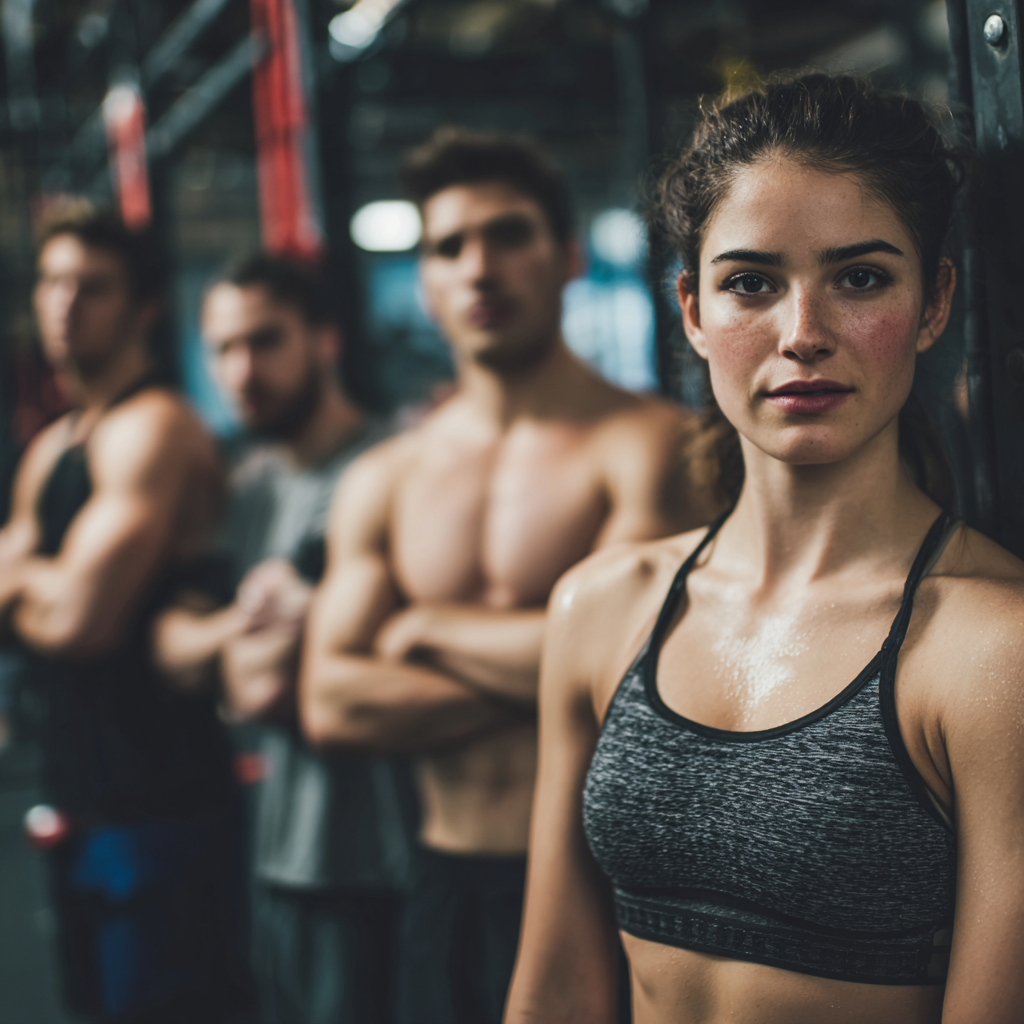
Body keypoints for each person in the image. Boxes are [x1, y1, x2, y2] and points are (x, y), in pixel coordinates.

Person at [504, 72, 1024, 1024]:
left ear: (934, 301)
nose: (803, 334)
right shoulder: (602, 607)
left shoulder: (993, 651)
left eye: (860, 277)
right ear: (693, 312)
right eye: (751, 283)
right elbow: (552, 994)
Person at [300, 128, 714, 1024]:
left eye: (509, 234)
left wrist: (421, 630)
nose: (479, 267)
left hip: (609, 884)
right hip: (440, 882)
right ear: (424, 279)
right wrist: (561, 670)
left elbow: (635, 680)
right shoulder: (385, 479)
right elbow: (332, 703)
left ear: (566, 256)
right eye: (449, 246)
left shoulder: (651, 449)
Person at [0, 208, 251, 1022]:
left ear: (142, 305)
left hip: (163, 809)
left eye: (91, 287)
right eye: (53, 283)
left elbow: (82, 622)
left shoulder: (157, 429)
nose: (65, 304)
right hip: (82, 802)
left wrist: (30, 589)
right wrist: (50, 583)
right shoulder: (56, 446)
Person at [151, 253, 413, 1024]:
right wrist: (247, 624)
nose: (242, 371)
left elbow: (257, 686)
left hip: (392, 856)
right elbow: (172, 648)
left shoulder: (397, 464)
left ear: (322, 340)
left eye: (264, 342)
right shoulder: (245, 487)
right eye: (223, 349)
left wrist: (260, 644)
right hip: (280, 857)